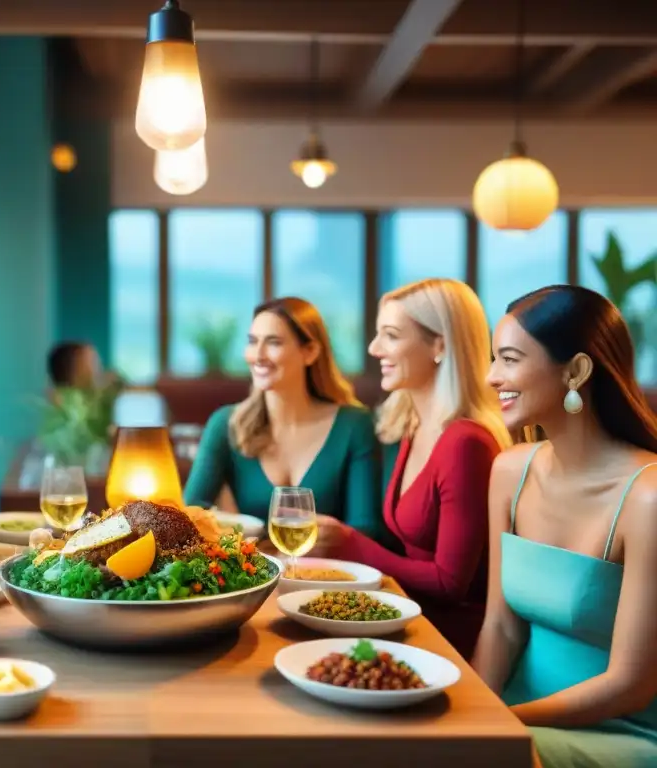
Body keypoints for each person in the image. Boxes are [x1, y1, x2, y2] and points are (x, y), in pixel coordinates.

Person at [472, 285, 657, 767]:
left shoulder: (648, 496)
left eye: (509, 359)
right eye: (494, 359)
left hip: (620, 733)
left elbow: (630, 685)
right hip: (513, 716)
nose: (492, 377)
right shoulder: (509, 470)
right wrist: (470, 717)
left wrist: (501, 723)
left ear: (575, 371)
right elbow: (500, 627)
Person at [315, 278, 510, 660]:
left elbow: (450, 583)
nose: (374, 349)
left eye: (390, 335)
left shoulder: (465, 443)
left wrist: (350, 543)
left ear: (440, 344)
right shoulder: (414, 424)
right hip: (408, 618)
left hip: (448, 644)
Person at [183, 297, 383, 539]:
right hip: (255, 572)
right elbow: (192, 515)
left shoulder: (354, 424)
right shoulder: (225, 424)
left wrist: (338, 535)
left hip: (329, 573)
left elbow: (367, 530)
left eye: (273, 342)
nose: (258, 355)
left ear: (310, 352)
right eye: (252, 341)